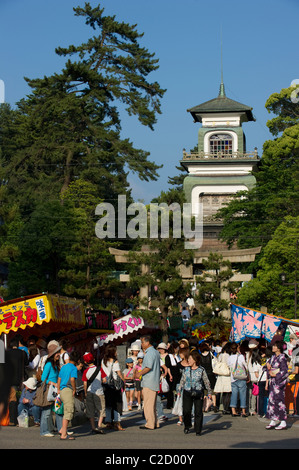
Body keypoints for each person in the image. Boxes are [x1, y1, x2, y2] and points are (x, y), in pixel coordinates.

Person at [178, 349, 212, 436]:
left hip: (198, 392)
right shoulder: (186, 369)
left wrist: (209, 392)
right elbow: (182, 380)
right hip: (187, 391)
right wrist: (179, 390)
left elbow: (206, 381)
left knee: (198, 412)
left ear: (195, 360)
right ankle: (187, 425)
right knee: (186, 411)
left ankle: (198, 429)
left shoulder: (201, 370)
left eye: (190, 359)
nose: (188, 361)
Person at [57, 350, 80, 440]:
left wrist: (58, 389)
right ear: (77, 360)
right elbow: (72, 380)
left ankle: (63, 430)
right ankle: (63, 434)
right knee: (68, 411)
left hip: (62, 390)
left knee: (69, 410)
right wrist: (74, 389)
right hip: (68, 389)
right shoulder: (73, 368)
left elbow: (59, 379)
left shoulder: (64, 367)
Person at [139, 335, 161, 430]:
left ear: (147, 343)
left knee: (148, 404)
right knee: (152, 404)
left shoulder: (149, 353)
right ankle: (155, 422)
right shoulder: (155, 352)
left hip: (149, 381)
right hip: (154, 380)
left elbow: (148, 367)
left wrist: (139, 374)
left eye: (143, 342)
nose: (142, 344)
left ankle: (150, 423)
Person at [265, 340, 289, 430]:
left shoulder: (282, 358)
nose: (273, 348)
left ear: (279, 348)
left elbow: (285, 371)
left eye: (275, 346)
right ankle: (273, 419)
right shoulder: (273, 357)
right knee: (271, 401)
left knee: (279, 401)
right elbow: (266, 367)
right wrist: (267, 365)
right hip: (273, 382)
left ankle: (283, 421)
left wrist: (275, 375)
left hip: (278, 383)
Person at [40, 341, 62, 437]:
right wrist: (53, 383)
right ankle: (44, 431)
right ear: (53, 354)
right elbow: (42, 378)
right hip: (49, 390)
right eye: (57, 352)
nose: (59, 354)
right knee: (47, 412)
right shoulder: (49, 364)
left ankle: (59, 429)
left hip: (55, 390)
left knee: (58, 410)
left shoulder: (56, 365)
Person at [101, 344, 125, 431]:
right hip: (115, 386)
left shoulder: (103, 361)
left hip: (106, 385)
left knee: (108, 404)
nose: (117, 352)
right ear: (112, 352)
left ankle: (108, 421)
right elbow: (119, 374)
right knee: (117, 404)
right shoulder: (115, 362)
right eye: (115, 351)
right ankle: (117, 422)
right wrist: (123, 383)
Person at [6, 337, 29, 425]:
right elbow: (26, 363)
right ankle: (12, 420)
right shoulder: (22, 353)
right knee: (13, 399)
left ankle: (5, 419)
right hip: (16, 379)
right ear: (18, 344)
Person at [82, 352, 106, 434]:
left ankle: (93, 427)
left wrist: (85, 393)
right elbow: (104, 380)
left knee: (90, 410)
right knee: (101, 409)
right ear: (94, 359)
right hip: (99, 392)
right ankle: (99, 425)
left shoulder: (86, 371)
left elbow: (85, 383)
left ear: (85, 362)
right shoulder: (99, 369)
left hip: (89, 392)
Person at [227, 342, 249, 417]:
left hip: (233, 377)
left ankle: (233, 410)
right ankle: (243, 411)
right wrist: (247, 374)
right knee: (243, 394)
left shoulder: (229, 357)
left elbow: (229, 366)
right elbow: (245, 365)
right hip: (241, 377)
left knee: (234, 394)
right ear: (237, 348)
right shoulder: (241, 356)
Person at [199, 341, 217, 411]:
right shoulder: (211, 355)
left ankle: (205, 406)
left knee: (205, 392)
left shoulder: (200, 356)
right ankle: (214, 405)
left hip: (203, 375)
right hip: (211, 374)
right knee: (212, 391)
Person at [214, 342, 231, 415]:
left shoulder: (220, 355)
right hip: (227, 374)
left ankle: (224, 407)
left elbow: (217, 362)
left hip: (221, 375)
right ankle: (227, 408)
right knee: (228, 392)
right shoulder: (229, 356)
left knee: (223, 393)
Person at [164, 341, 181, 409]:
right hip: (171, 374)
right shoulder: (168, 356)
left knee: (176, 389)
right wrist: (170, 375)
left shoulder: (177, 356)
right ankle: (169, 404)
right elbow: (168, 367)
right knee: (170, 390)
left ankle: (176, 403)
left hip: (177, 374)